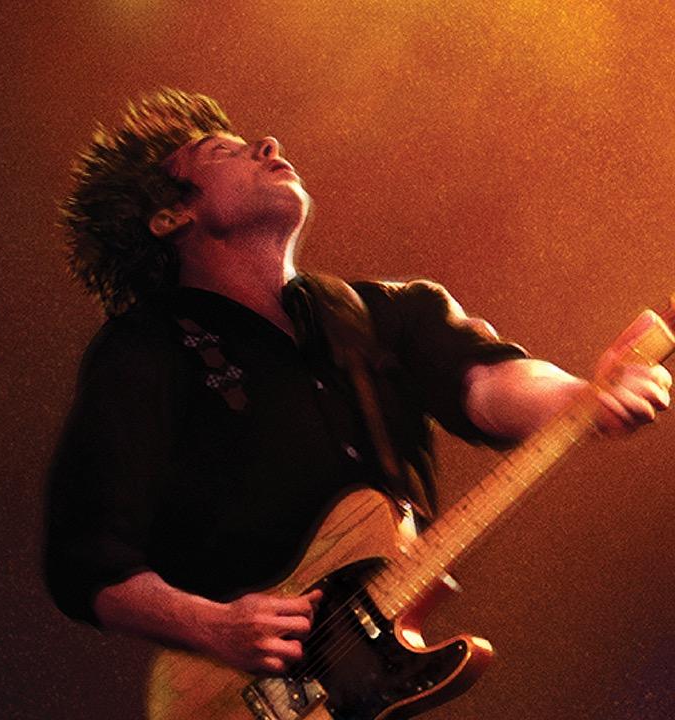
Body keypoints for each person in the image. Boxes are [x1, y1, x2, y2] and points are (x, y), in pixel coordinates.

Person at [42, 88, 672, 677]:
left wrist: (581, 396)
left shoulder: (388, 312)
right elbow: (84, 558)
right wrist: (215, 628)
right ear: (172, 215)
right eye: (223, 152)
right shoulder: (145, 348)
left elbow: (488, 382)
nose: (266, 145)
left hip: (376, 674)